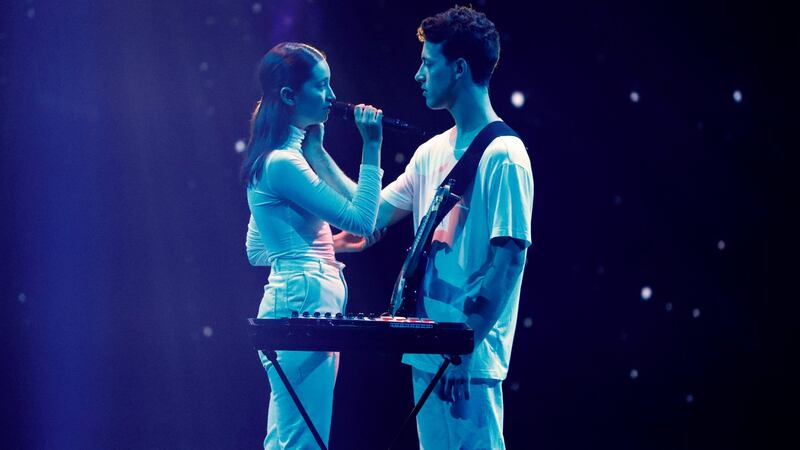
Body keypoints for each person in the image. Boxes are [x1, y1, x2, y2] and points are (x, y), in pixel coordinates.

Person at [338, 6, 534, 449]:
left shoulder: (505, 155)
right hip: (428, 348)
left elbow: (509, 260)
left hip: (468, 361)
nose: (418, 75)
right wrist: (316, 246)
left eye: (428, 63)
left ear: (459, 68)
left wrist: (464, 348)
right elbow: (364, 220)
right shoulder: (430, 152)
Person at [242, 42, 384, 449]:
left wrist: (319, 247)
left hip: (295, 294)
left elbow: (258, 248)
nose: (333, 97)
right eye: (322, 86)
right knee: (305, 439)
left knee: (290, 435)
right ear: (290, 95)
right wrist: (371, 147)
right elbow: (363, 220)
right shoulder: (283, 163)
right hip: (304, 298)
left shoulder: (274, 157)